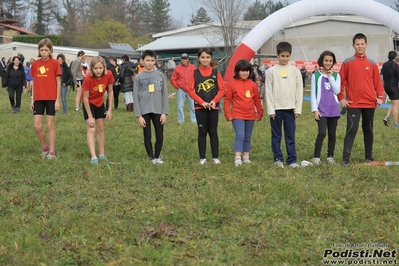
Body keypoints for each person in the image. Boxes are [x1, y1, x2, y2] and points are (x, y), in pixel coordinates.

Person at [338, 33, 384, 165]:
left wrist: (380, 96)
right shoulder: (347, 62)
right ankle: (345, 159)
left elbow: (378, 83)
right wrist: (341, 98)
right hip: (353, 103)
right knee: (352, 129)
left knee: (368, 129)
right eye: (357, 44)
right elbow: (340, 81)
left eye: (362, 44)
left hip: (370, 103)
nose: (360, 46)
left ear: (366, 45)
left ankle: (368, 157)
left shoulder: (372, 63)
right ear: (353, 46)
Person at [265, 41, 303, 168]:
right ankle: (278, 158)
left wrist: (298, 109)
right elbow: (268, 92)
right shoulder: (271, 71)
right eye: (282, 56)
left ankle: (292, 159)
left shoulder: (295, 71)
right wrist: (271, 110)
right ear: (277, 55)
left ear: (290, 55)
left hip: (290, 109)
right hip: (276, 109)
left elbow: (299, 91)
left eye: (287, 56)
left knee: (290, 135)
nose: (285, 58)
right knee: (276, 135)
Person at [187, 48, 225, 165]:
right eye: (203, 57)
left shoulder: (216, 73)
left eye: (207, 57)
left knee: (213, 131)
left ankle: (215, 157)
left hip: (213, 107)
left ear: (211, 58)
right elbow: (190, 90)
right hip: (200, 108)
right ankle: (202, 158)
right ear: (199, 58)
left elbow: (222, 89)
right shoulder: (194, 73)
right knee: (202, 131)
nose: (205, 59)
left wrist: (214, 101)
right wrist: (201, 102)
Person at [224, 59, 263, 166]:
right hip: (237, 115)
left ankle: (246, 156)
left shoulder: (253, 85)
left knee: (247, 137)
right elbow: (227, 100)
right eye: (242, 71)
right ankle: (237, 157)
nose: (245, 73)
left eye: (247, 71)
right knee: (240, 135)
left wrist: (260, 113)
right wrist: (227, 113)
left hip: (250, 115)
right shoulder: (232, 84)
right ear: (237, 71)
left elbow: (257, 99)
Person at [133, 50, 169, 164]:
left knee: (159, 135)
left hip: (158, 109)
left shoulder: (160, 76)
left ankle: (157, 156)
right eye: (147, 60)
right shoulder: (139, 77)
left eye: (152, 60)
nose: (150, 63)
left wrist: (164, 112)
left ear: (155, 61)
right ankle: (151, 157)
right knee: (147, 134)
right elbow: (136, 98)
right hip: (144, 110)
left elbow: (165, 95)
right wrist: (139, 115)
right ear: (142, 61)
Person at [29, 38, 62, 159]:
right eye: (41, 50)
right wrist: (32, 98)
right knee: (37, 126)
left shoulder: (54, 63)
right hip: (38, 98)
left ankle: (52, 151)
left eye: (46, 50)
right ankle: (45, 148)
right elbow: (33, 81)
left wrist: (57, 100)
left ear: (50, 50)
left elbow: (58, 82)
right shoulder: (35, 64)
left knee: (49, 125)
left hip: (51, 98)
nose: (44, 52)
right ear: (39, 50)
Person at [310, 51, 341, 165]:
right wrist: (315, 110)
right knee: (322, 132)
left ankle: (330, 156)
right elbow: (313, 94)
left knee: (332, 134)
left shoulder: (336, 75)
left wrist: (331, 77)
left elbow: (337, 91)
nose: (328, 63)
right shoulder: (316, 75)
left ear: (333, 62)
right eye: (326, 60)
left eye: (330, 61)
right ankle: (316, 156)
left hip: (333, 109)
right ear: (322, 61)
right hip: (321, 110)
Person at [81, 56, 114, 164]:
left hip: (100, 103)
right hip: (89, 104)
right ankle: (94, 157)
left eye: (100, 68)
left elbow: (110, 92)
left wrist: (109, 109)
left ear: (104, 67)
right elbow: (85, 98)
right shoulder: (88, 79)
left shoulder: (108, 74)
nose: (98, 71)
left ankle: (102, 154)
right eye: (95, 68)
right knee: (91, 128)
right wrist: (90, 117)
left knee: (100, 128)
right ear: (91, 68)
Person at [170, 53, 197, 124]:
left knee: (193, 105)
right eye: (183, 59)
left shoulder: (193, 67)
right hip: (181, 89)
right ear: (181, 59)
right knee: (180, 106)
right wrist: (177, 86)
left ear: (188, 59)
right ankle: (181, 121)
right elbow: (173, 79)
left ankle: (194, 120)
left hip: (191, 89)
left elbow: (196, 77)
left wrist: (194, 86)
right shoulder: (177, 68)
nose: (184, 60)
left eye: (185, 59)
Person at [381, 51, 399, 127]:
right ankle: (395, 124)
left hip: (386, 87)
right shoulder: (395, 65)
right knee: (396, 105)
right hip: (393, 86)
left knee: (393, 103)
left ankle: (387, 117)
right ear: (395, 57)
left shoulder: (384, 65)